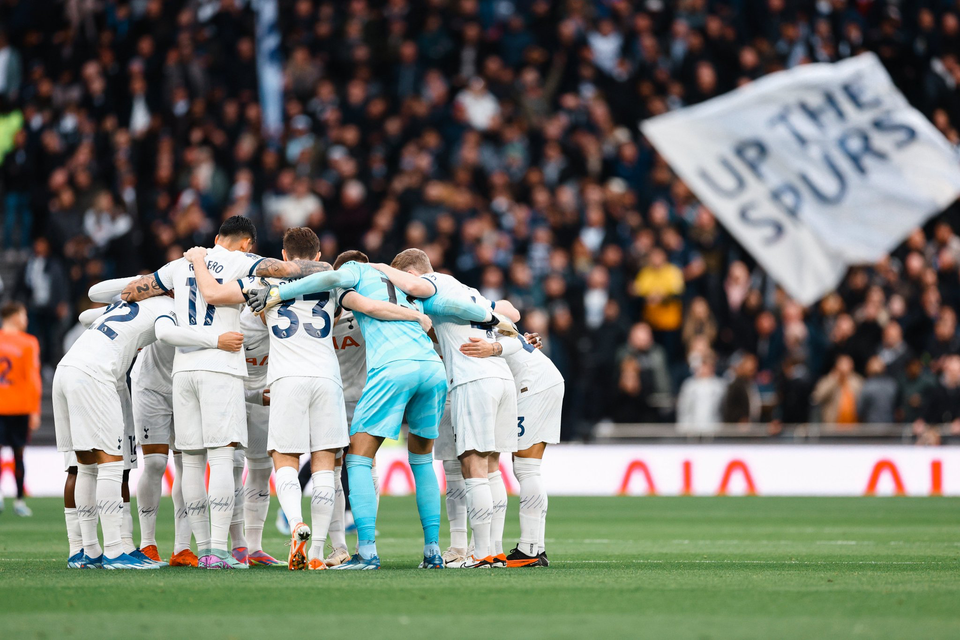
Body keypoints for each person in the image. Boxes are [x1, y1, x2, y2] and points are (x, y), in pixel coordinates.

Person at [247, 249, 502, 569]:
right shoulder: (411, 287)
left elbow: (332, 279)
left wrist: (278, 291)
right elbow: (460, 307)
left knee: (357, 459)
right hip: (432, 370)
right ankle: (433, 551)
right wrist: (493, 318)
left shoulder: (354, 275)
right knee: (422, 461)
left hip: (393, 369)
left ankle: (366, 552)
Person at [119, 215, 328, 569]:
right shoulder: (246, 262)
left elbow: (131, 291)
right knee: (219, 460)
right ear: (247, 242)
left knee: (191, 463)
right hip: (222, 366)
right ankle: (216, 550)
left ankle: (196, 550)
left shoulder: (179, 264)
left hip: (182, 371)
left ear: (217, 237)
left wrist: (188, 267)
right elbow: (292, 270)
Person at [54, 285, 240, 569]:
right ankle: (115, 552)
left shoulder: (124, 306)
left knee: (87, 465)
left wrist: (144, 290)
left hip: (66, 370)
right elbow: (165, 333)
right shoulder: (166, 308)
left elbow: (84, 317)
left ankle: (88, 552)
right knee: (110, 466)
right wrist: (217, 339)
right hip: (96, 375)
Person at [376, 248, 522, 568]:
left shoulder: (431, 283)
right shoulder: (469, 292)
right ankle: (491, 550)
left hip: (473, 380)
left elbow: (415, 287)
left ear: (413, 274)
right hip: (501, 376)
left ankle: (482, 553)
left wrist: (375, 267)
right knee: (493, 467)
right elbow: (512, 315)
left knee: (473, 467)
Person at [459, 328, 562, 568]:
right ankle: (535, 547)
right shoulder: (484, 321)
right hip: (543, 378)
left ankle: (529, 549)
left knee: (527, 468)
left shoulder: (460, 327)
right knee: (528, 468)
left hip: (532, 384)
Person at [0, 302, 41, 517]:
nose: (25, 320)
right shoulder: (28, 342)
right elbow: (33, 378)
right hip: (19, 406)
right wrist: (34, 409)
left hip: (4, 405)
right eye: (23, 315)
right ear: (14, 316)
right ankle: (18, 500)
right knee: (19, 454)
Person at [676, 352, 726, 434]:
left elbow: (722, 409)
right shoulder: (689, 385)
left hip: (714, 429)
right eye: (702, 365)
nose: (704, 369)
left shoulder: (720, 385)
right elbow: (683, 408)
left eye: (707, 366)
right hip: (692, 430)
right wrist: (683, 427)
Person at [811, 354, 863, 425]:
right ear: (836, 365)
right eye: (842, 363)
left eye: (847, 363)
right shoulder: (828, 380)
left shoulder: (857, 381)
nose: (844, 366)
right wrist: (834, 379)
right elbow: (817, 397)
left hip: (854, 427)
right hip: (832, 427)